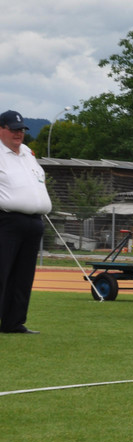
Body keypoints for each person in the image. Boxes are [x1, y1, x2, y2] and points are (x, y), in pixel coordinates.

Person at [0, 109, 51, 334]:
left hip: (33, 222)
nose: (18, 133)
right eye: (13, 129)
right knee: (2, 271)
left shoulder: (28, 153)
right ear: (1, 130)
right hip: (6, 220)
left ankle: (14, 322)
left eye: (21, 129)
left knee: (23, 276)